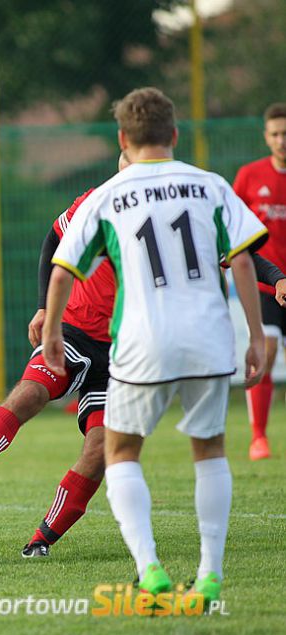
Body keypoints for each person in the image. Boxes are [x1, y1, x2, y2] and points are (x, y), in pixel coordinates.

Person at [0, 153, 286, 560]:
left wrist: (276, 279)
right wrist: (45, 307)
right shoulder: (98, 201)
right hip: (76, 329)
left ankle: (40, 540)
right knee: (30, 393)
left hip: (127, 350)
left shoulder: (177, 212)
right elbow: (54, 239)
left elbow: (238, 253)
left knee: (101, 448)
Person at [46, 87, 268, 607]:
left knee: (122, 453)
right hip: (210, 336)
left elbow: (62, 270)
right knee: (209, 449)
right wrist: (255, 336)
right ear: (174, 135)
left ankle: (150, 571)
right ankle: (209, 575)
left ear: (123, 138)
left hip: (143, 339)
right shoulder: (209, 185)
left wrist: (54, 331)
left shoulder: (108, 194)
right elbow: (240, 261)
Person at [234, 103, 286, 461]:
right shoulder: (250, 176)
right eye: (276, 134)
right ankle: (258, 437)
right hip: (267, 285)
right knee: (266, 350)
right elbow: (235, 231)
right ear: (266, 137)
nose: (282, 140)